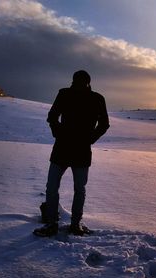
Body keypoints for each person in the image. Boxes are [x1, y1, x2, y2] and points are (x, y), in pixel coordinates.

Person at [34, 70, 110, 237]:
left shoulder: (97, 99)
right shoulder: (65, 94)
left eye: (82, 81)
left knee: (78, 189)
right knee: (53, 187)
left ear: (88, 82)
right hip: (62, 148)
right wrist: (58, 132)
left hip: (80, 151)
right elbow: (52, 116)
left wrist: (90, 139)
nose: (79, 84)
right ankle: (53, 223)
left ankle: (75, 224)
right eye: (77, 81)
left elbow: (104, 124)